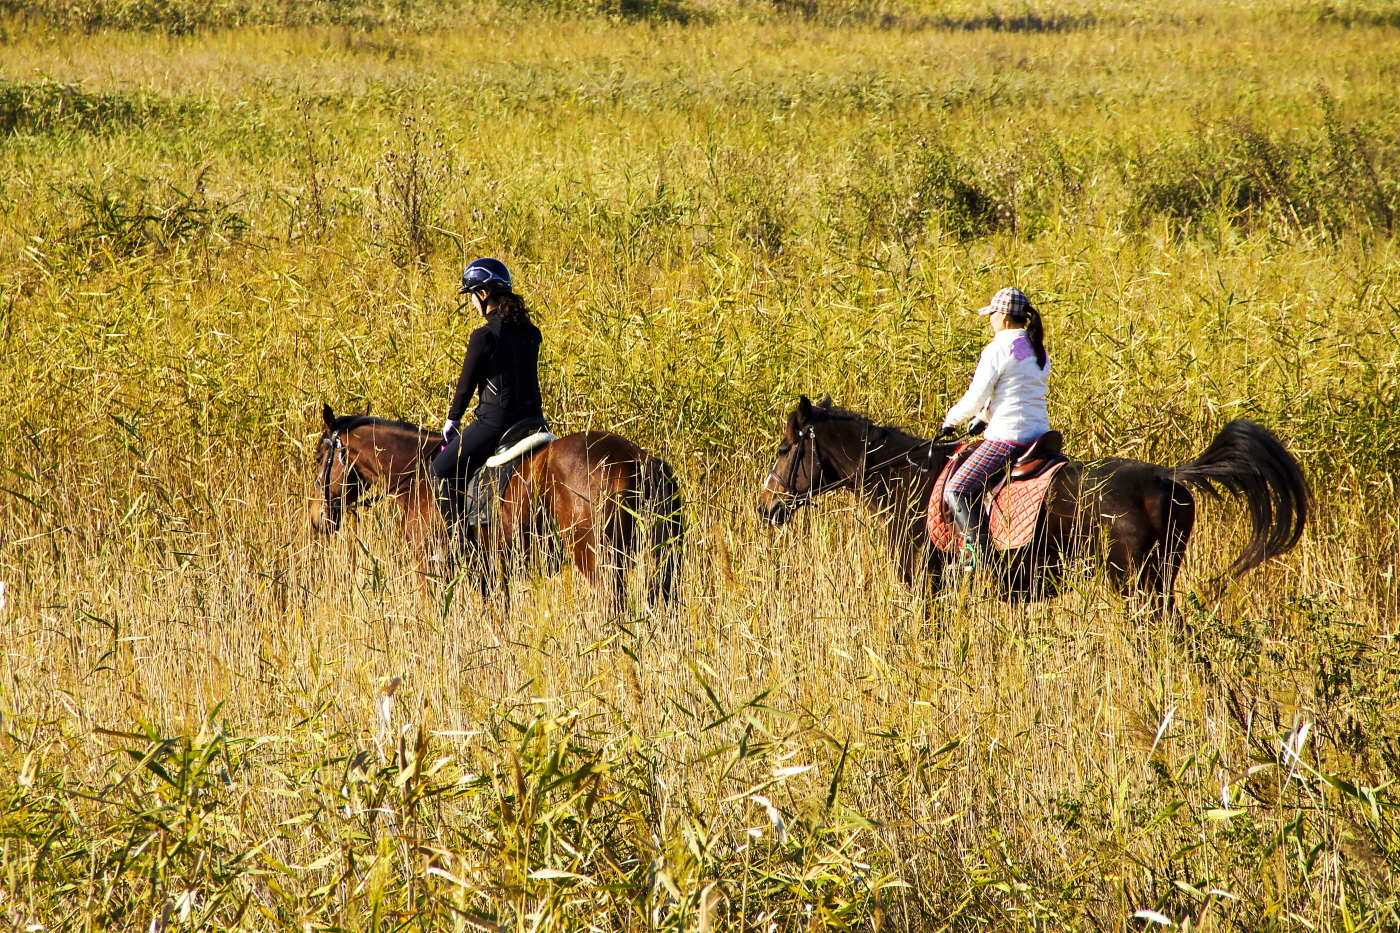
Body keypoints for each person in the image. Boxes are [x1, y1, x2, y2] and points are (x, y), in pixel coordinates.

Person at [937, 287, 1051, 570]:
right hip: (1039, 435)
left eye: (992, 314)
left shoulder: (998, 348)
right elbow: (1016, 392)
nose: (990, 320)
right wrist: (985, 416)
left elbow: (975, 396)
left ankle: (979, 556)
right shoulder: (1038, 349)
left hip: (1008, 438)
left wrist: (950, 421)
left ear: (1003, 316)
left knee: (957, 490)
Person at [433, 258, 545, 529]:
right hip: (534, 421)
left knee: (439, 470)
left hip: (496, 423)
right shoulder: (532, 333)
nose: (473, 303)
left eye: (472, 296)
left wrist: (453, 420)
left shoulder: (483, 335)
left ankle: (459, 542)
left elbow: (465, 386)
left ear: (483, 294)